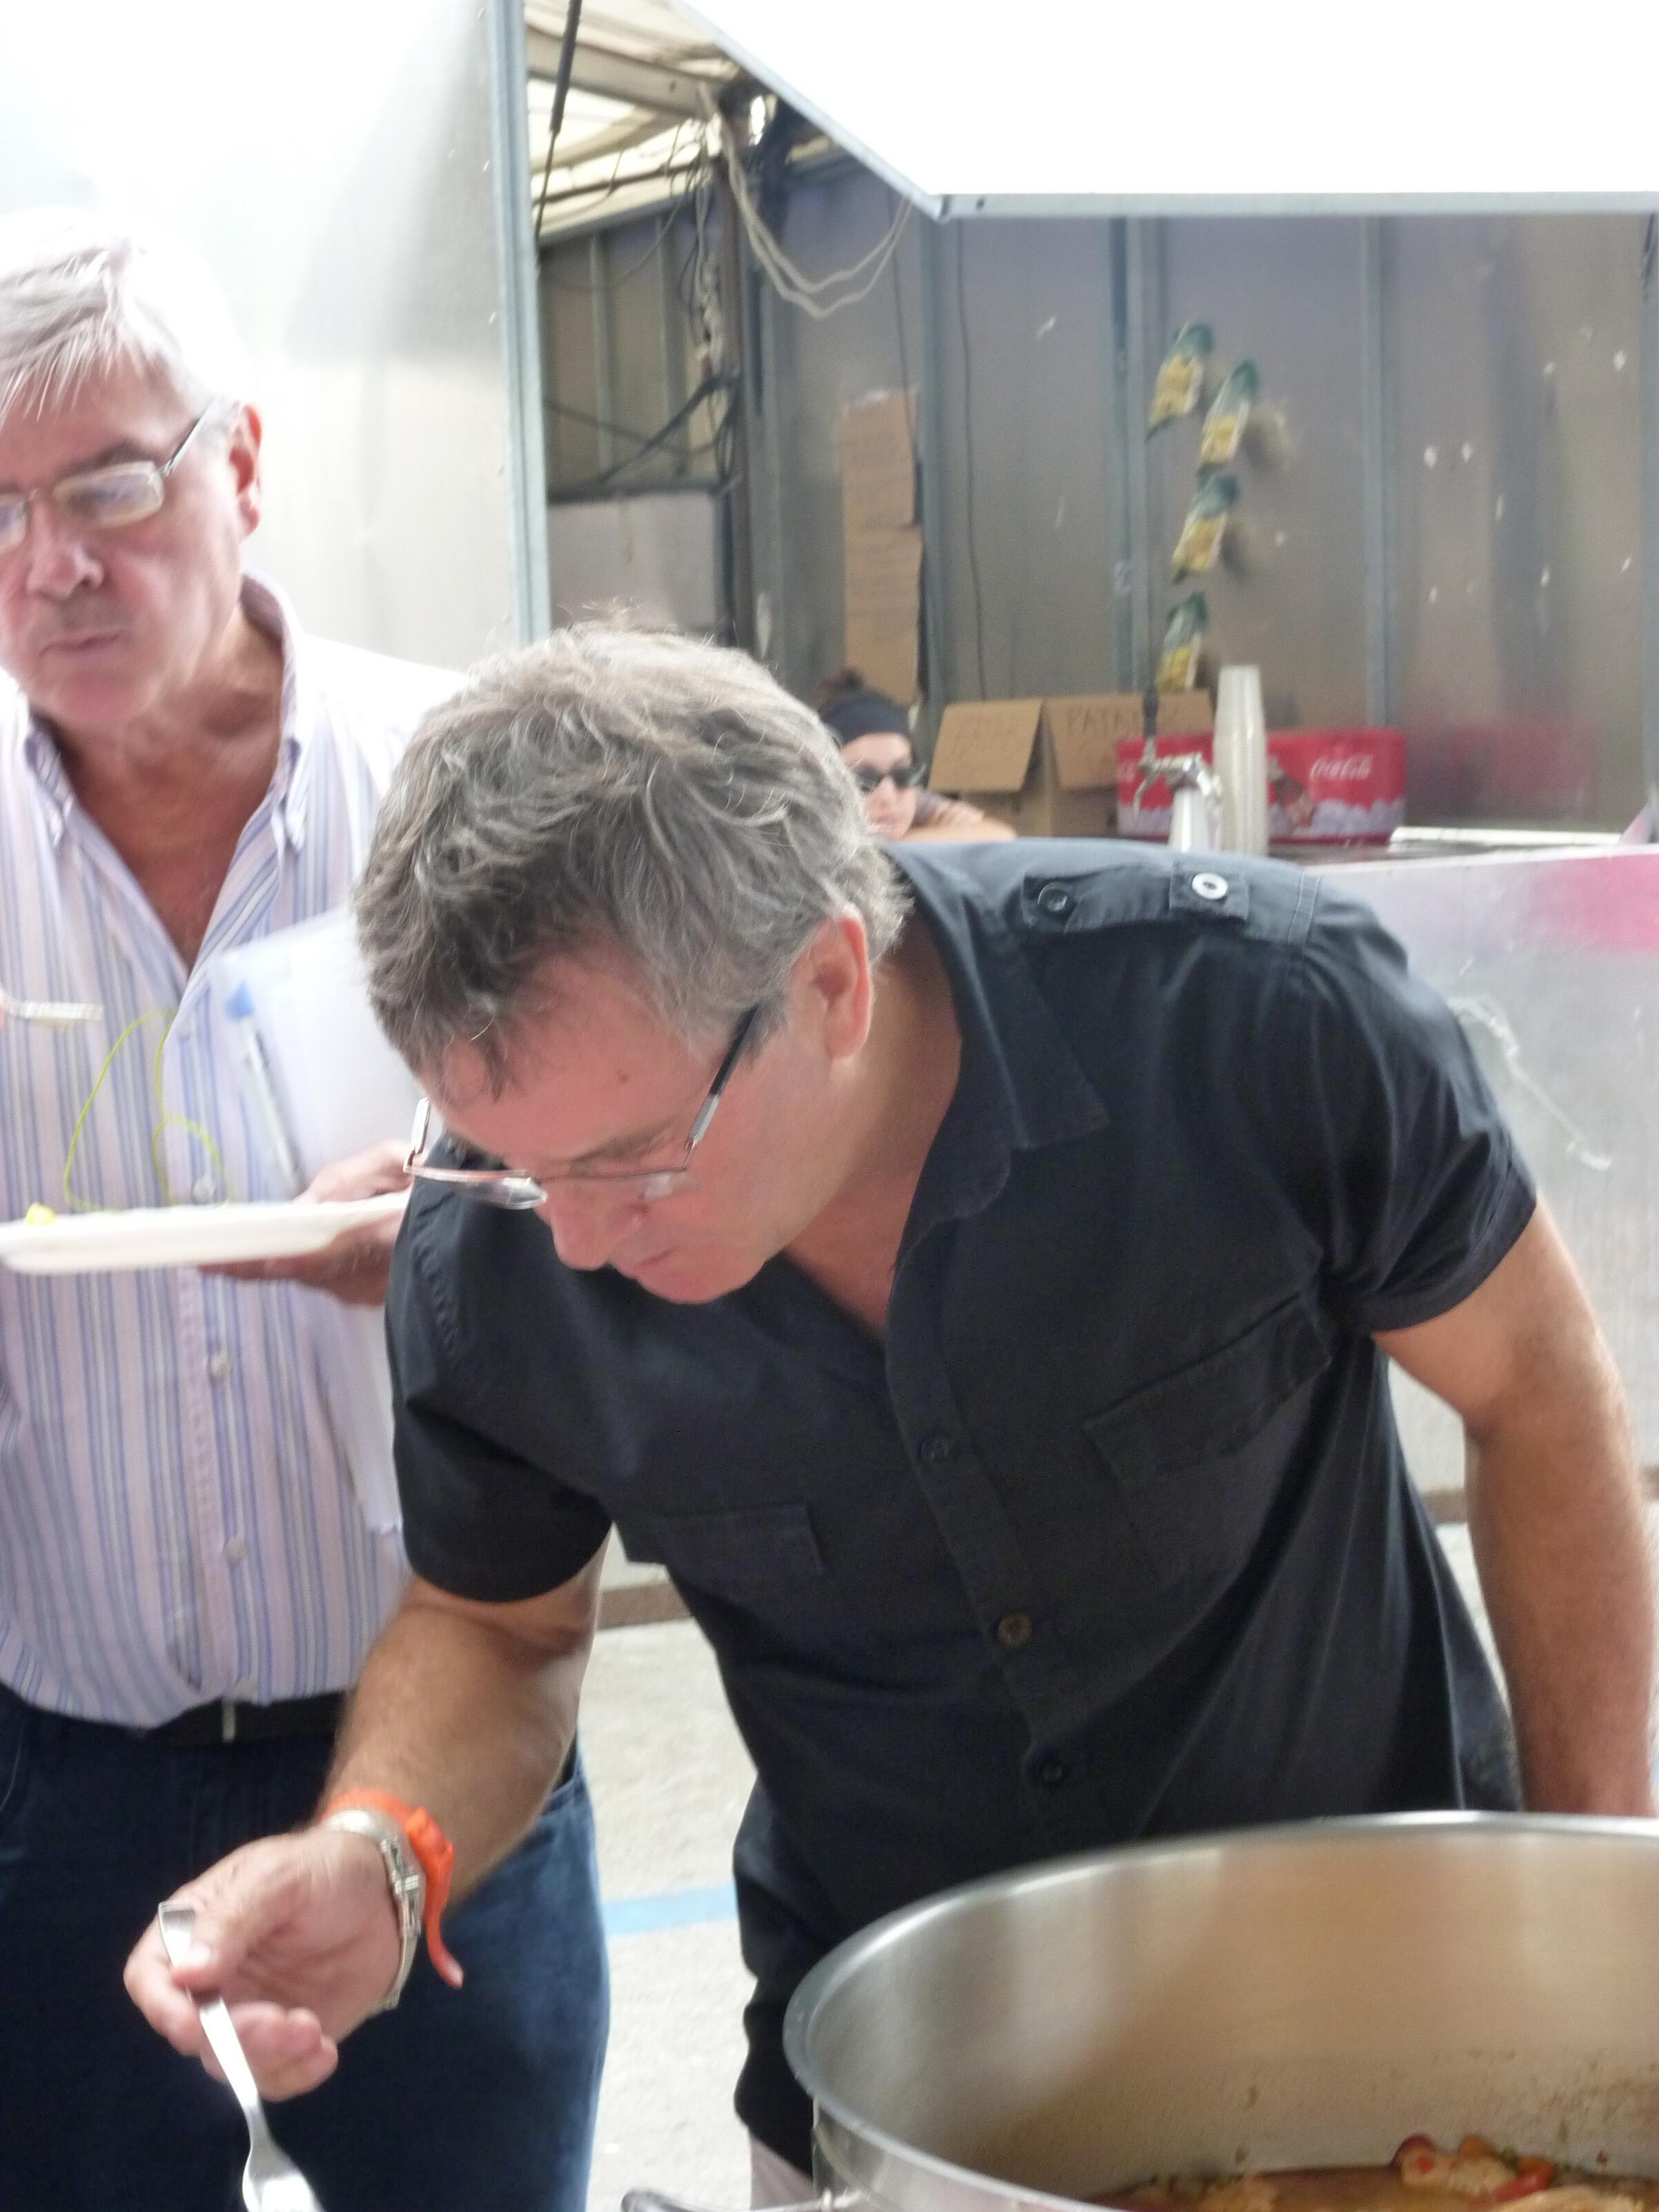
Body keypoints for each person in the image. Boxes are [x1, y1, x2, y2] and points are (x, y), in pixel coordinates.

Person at [128, 624, 1653, 2206]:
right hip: (887, 2068)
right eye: (515, 1164)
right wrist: (382, 1848)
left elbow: (1534, 1390)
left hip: (1384, 2014)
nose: (571, 1241)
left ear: (830, 983)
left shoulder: (1249, 1027)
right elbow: (495, 1627)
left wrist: (1592, 1928)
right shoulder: (494, 1242)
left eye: (632, 1158)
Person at [0, 213, 605, 2212]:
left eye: (107, 486)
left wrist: (474, 1229)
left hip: (441, 1760)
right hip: (62, 1790)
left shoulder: (470, 788)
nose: (51, 562)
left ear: (241, 464)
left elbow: (677, 1184)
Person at [816, 666, 1012, 842]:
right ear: (825, 783)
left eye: (904, 774)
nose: (888, 797)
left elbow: (999, 835)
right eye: (863, 780)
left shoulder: (914, 799)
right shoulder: (806, 817)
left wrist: (899, 845)